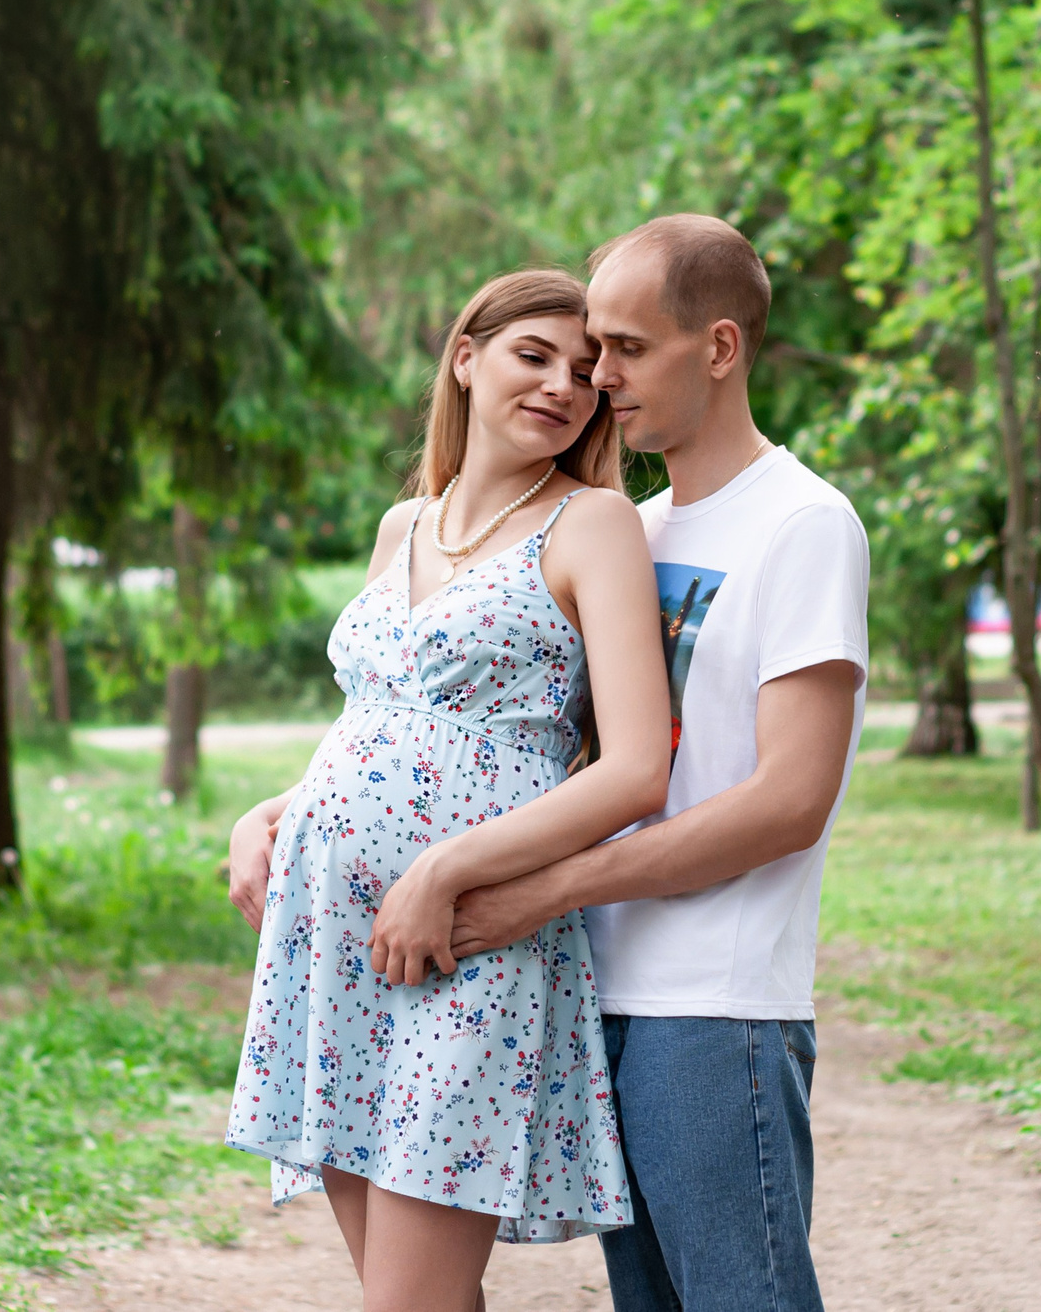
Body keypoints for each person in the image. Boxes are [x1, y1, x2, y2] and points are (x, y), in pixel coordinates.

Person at [243, 216, 872, 1312]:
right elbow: (462, 727)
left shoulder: (796, 524)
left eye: (618, 350)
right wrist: (292, 807)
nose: (595, 378)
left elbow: (787, 799)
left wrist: (518, 886)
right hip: (577, 965)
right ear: (464, 360)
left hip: (703, 992)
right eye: (578, 351)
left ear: (718, 348)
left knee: (739, 1296)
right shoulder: (647, 523)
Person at [224, 268, 675, 1312]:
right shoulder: (403, 527)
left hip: (469, 938)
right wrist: (270, 813)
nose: (562, 385)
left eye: (585, 372)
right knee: (418, 1295)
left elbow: (633, 769)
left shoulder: (592, 524)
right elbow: (380, 725)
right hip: (333, 940)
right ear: (466, 358)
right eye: (534, 355)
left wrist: (443, 872)